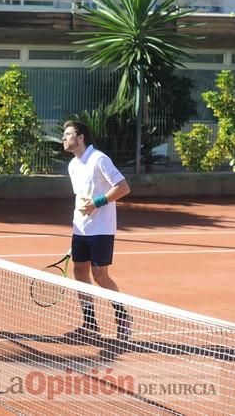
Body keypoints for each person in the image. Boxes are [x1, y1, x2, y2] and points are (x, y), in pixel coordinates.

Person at [62, 120, 132, 342]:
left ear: (81, 137)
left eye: (68, 134)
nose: (64, 138)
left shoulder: (99, 159)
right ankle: (90, 325)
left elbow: (123, 187)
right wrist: (76, 231)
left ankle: (123, 317)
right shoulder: (73, 165)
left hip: (102, 229)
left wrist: (97, 202)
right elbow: (81, 199)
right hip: (80, 230)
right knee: (80, 272)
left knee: (100, 276)